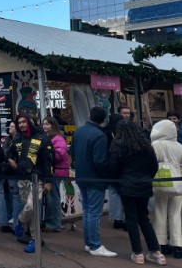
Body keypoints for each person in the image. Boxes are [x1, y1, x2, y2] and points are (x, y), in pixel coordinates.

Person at [109, 120, 164, 265]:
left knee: (131, 219)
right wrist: (147, 178)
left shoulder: (118, 145)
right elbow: (154, 166)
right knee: (144, 218)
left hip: (126, 185)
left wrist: (118, 180)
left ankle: (138, 253)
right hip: (144, 184)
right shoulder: (146, 145)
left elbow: (113, 167)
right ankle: (156, 251)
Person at [73, 106, 117, 257]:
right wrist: (107, 174)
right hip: (95, 178)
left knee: (87, 211)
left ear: (89, 116)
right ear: (103, 120)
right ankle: (95, 245)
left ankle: (89, 242)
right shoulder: (99, 135)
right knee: (93, 212)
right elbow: (100, 161)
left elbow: (72, 152)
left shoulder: (79, 131)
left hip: (81, 176)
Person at [6, 114, 53, 253]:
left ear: (29, 122)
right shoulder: (17, 139)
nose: (21, 125)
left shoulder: (41, 138)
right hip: (22, 179)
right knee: (32, 212)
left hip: (37, 179)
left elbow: (47, 162)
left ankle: (20, 221)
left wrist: (48, 181)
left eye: (23, 122)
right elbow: (9, 154)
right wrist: (11, 162)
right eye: (19, 122)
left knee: (31, 206)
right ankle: (34, 239)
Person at [151, 119, 182, 259]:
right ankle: (178, 245)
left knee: (160, 212)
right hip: (178, 183)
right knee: (176, 214)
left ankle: (161, 243)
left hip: (161, 182)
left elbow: (151, 162)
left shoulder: (156, 144)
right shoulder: (179, 146)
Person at [41, 115, 69, 233]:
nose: (45, 126)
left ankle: (54, 224)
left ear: (53, 125)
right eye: (43, 124)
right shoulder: (49, 137)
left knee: (53, 197)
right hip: (52, 170)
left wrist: (46, 155)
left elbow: (59, 154)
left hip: (56, 171)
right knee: (50, 197)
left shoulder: (58, 138)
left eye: (47, 124)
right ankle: (50, 222)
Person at [106, 113, 126, 230]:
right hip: (123, 169)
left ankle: (116, 218)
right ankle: (123, 217)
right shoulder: (125, 134)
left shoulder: (106, 133)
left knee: (113, 194)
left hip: (111, 168)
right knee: (122, 194)